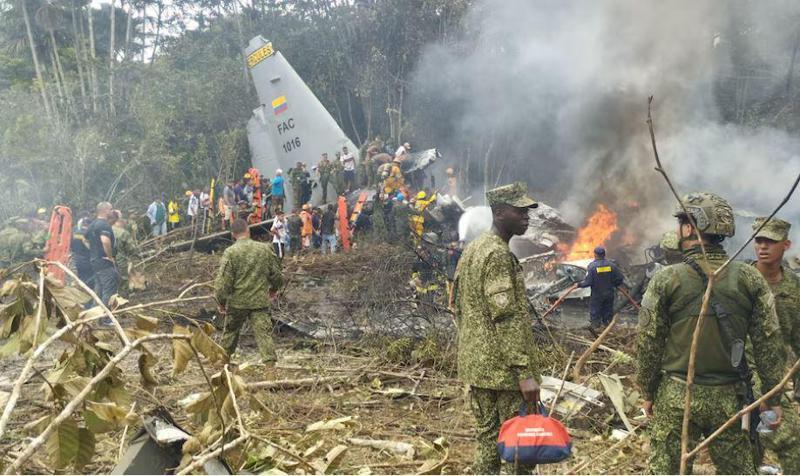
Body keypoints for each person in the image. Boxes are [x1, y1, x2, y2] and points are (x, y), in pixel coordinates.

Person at [636, 192, 786, 474]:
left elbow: (648, 341)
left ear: (691, 228)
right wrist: (773, 399)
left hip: (677, 397)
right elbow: (769, 344)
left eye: (682, 222)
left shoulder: (667, 278)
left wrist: (647, 390)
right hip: (732, 399)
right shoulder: (749, 277)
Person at [454, 182, 541, 475]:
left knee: (488, 443)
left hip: (477, 368)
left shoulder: (473, 250)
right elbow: (506, 318)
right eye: (520, 211)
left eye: (528, 211)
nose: (527, 217)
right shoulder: (498, 256)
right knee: (518, 453)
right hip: (504, 375)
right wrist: (525, 374)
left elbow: (458, 306)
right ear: (500, 212)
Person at [750, 217, 800, 474]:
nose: (762, 247)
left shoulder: (794, 286)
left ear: (786, 245)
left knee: (791, 444)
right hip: (739, 379)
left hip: (776, 381)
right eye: (759, 240)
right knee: (748, 449)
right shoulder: (741, 281)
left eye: (770, 241)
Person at [214, 218, 282, 363]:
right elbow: (277, 274)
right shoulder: (265, 249)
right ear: (248, 230)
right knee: (264, 336)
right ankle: (271, 372)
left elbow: (223, 283)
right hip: (259, 303)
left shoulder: (230, 252)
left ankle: (221, 367)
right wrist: (274, 289)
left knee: (230, 334)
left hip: (237, 303)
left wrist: (221, 302)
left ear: (233, 234)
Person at [576, 246, 625, 332]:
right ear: (604, 255)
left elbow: (588, 282)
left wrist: (579, 285)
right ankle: (608, 330)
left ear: (595, 255)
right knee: (608, 312)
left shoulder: (592, 267)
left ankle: (595, 330)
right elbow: (620, 278)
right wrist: (614, 284)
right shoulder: (612, 265)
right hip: (609, 294)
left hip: (597, 295)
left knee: (595, 313)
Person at [87, 202, 119, 317]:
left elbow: (85, 241)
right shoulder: (103, 225)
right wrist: (110, 257)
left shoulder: (93, 225)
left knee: (99, 290)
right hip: (104, 262)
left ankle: (93, 316)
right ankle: (105, 318)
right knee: (109, 290)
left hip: (95, 261)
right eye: (111, 209)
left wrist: (94, 252)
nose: (112, 211)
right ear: (105, 211)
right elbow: (105, 241)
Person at [111, 210, 137, 294]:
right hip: (121, 260)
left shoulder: (107, 229)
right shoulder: (123, 233)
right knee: (124, 278)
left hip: (108, 260)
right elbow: (131, 248)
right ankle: (123, 296)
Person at [70, 213, 94, 289]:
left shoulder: (74, 232)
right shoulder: (89, 233)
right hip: (88, 260)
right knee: (89, 280)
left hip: (77, 258)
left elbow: (70, 245)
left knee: (81, 277)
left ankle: (80, 292)